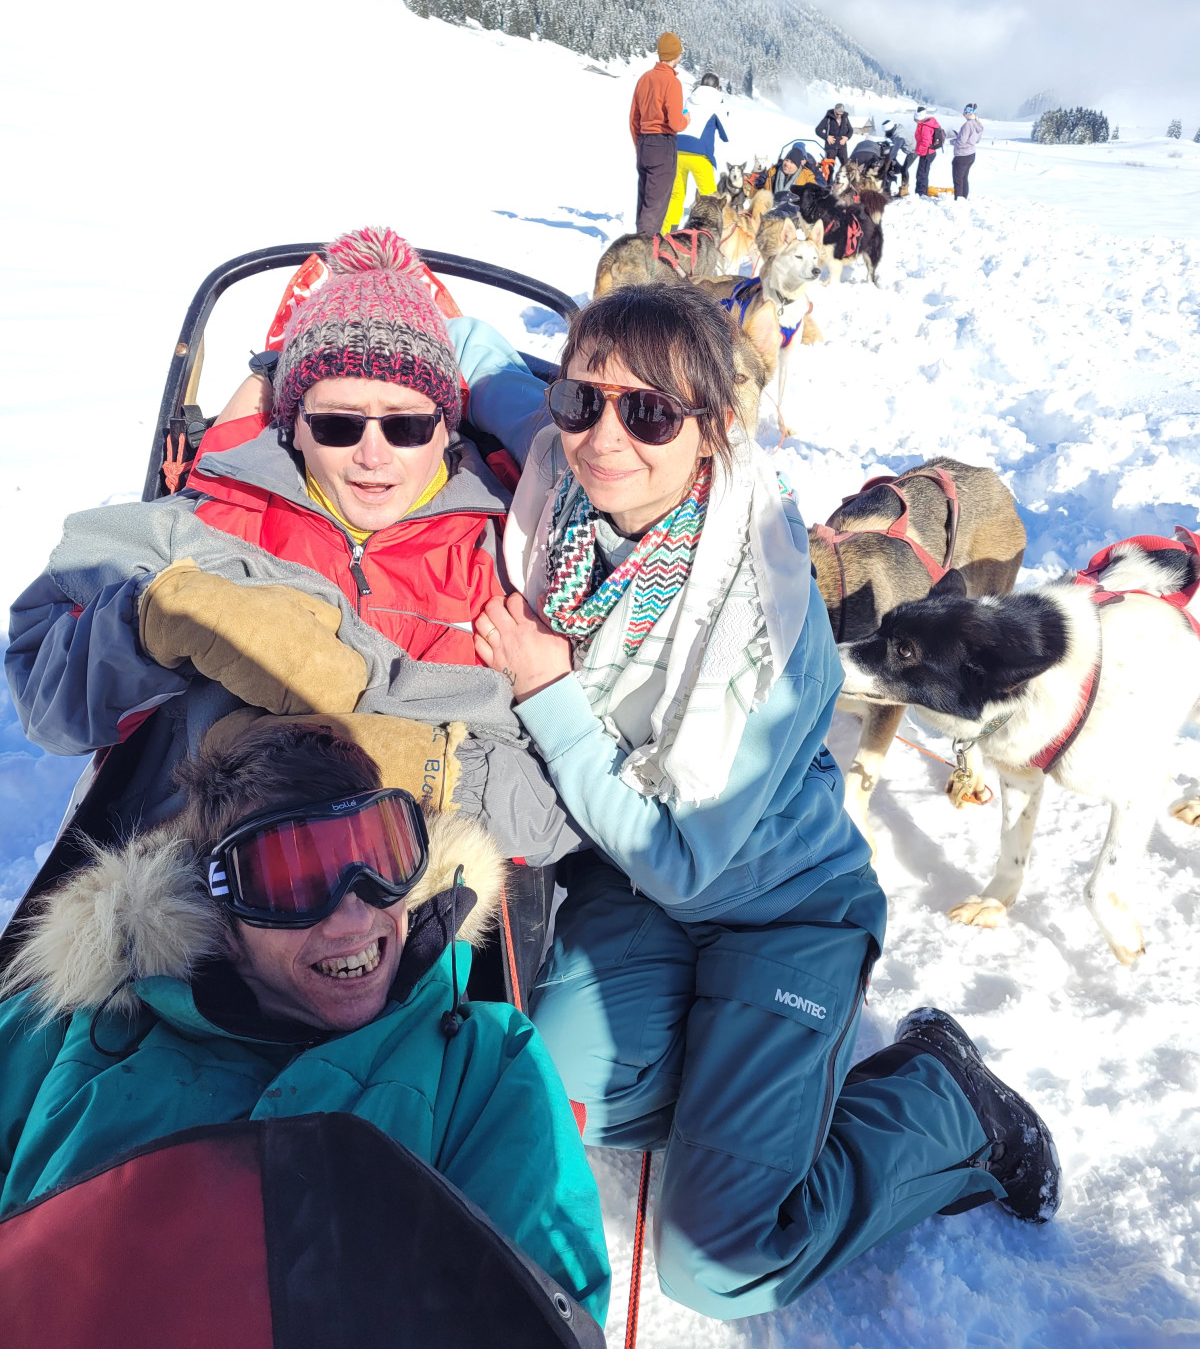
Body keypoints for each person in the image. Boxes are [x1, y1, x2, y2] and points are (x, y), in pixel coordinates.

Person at [462, 285, 1061, 1320]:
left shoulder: (759, 619)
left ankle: (944, 1100)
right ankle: (742, 1085)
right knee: (542, 1101)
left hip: (777, 906)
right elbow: (484, 366)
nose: (604, 436)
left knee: (720, 1258)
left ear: (714, 428)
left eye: (648, 413)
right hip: (639, 900)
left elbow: (685, 856)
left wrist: (553, 692)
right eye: (583, 399)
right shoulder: (571, 487)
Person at [0, 720, 610, 1326]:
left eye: (379, 857)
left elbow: (533, 1312)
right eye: (292, 883)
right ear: (219, 905)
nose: (354, 918)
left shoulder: (485, 1064)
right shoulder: (69, 1024)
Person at [6, 226, 573, 868]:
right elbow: (47, 709)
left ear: (446, 428)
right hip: (201, 878)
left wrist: (432, 768)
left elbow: (556, 812)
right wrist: (147, 628)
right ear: (294, 427)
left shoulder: (505, 557)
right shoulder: (212, 525)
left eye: (407, 424)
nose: (372, 455)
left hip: (424, 889)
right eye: (337, 423)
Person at [629, 33, 686, 236]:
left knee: (644, 202)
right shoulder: (672, 82)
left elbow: (634, 118)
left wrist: (640, 146)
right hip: (663, 144)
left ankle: (638, 246)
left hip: (644, 142)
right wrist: (686, 119)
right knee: (655, 206)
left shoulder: (644, 79)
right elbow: (675, 122)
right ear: (676, 55)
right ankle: (645, 255)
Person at [664, 72, 729, 232]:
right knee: (711, 199)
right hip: (700, 155)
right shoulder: (718, 101)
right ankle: (709, 234)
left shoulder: (690, 99)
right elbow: (725, 134)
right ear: (717, 87)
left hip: (677, 151)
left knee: (676, 197)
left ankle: (667, 235)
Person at [950, 103, 984, 199]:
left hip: (962, 156)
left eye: (964, 113)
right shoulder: (978, 124)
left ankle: (958, 199)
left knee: (958, 179)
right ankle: (963, 198)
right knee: (964, 178)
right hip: (971, 154)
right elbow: (977, 140)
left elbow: (961, 142)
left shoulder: (967, 125)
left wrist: (953, 141)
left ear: (968, 113)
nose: (963, 115)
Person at [913, 106, 944, 196]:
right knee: (922, 173)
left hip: (927, 153)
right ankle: (921, 193)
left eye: (915, 118)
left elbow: (925, 142)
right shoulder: (922, 125)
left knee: (922, 175)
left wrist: (918, 152)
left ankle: (921, 194)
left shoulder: (925, 127)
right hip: (926, 153)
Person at [880, 117, 914, 194]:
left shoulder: (899, 136)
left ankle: (904, 190)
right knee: (904, 168)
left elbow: (895, 151)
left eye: (887, 132)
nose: (886, 134)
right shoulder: (896, 129)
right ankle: (904, 188)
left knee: (904, 169)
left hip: (914, 150)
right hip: (910, 149)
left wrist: (887, 164)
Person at [814, 101, 852, 167]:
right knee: (829, 168)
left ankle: (839, 177)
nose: (839, 116)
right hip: (830, 147)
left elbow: (851, 130)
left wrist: (846, 138)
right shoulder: (828, 118)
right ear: (834, 110)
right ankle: (829, 177)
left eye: (841, 114)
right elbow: (818, 130)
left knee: (846, 167)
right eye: (837, 114)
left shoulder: (845, 118)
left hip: (842, 147)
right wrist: (827, 137)